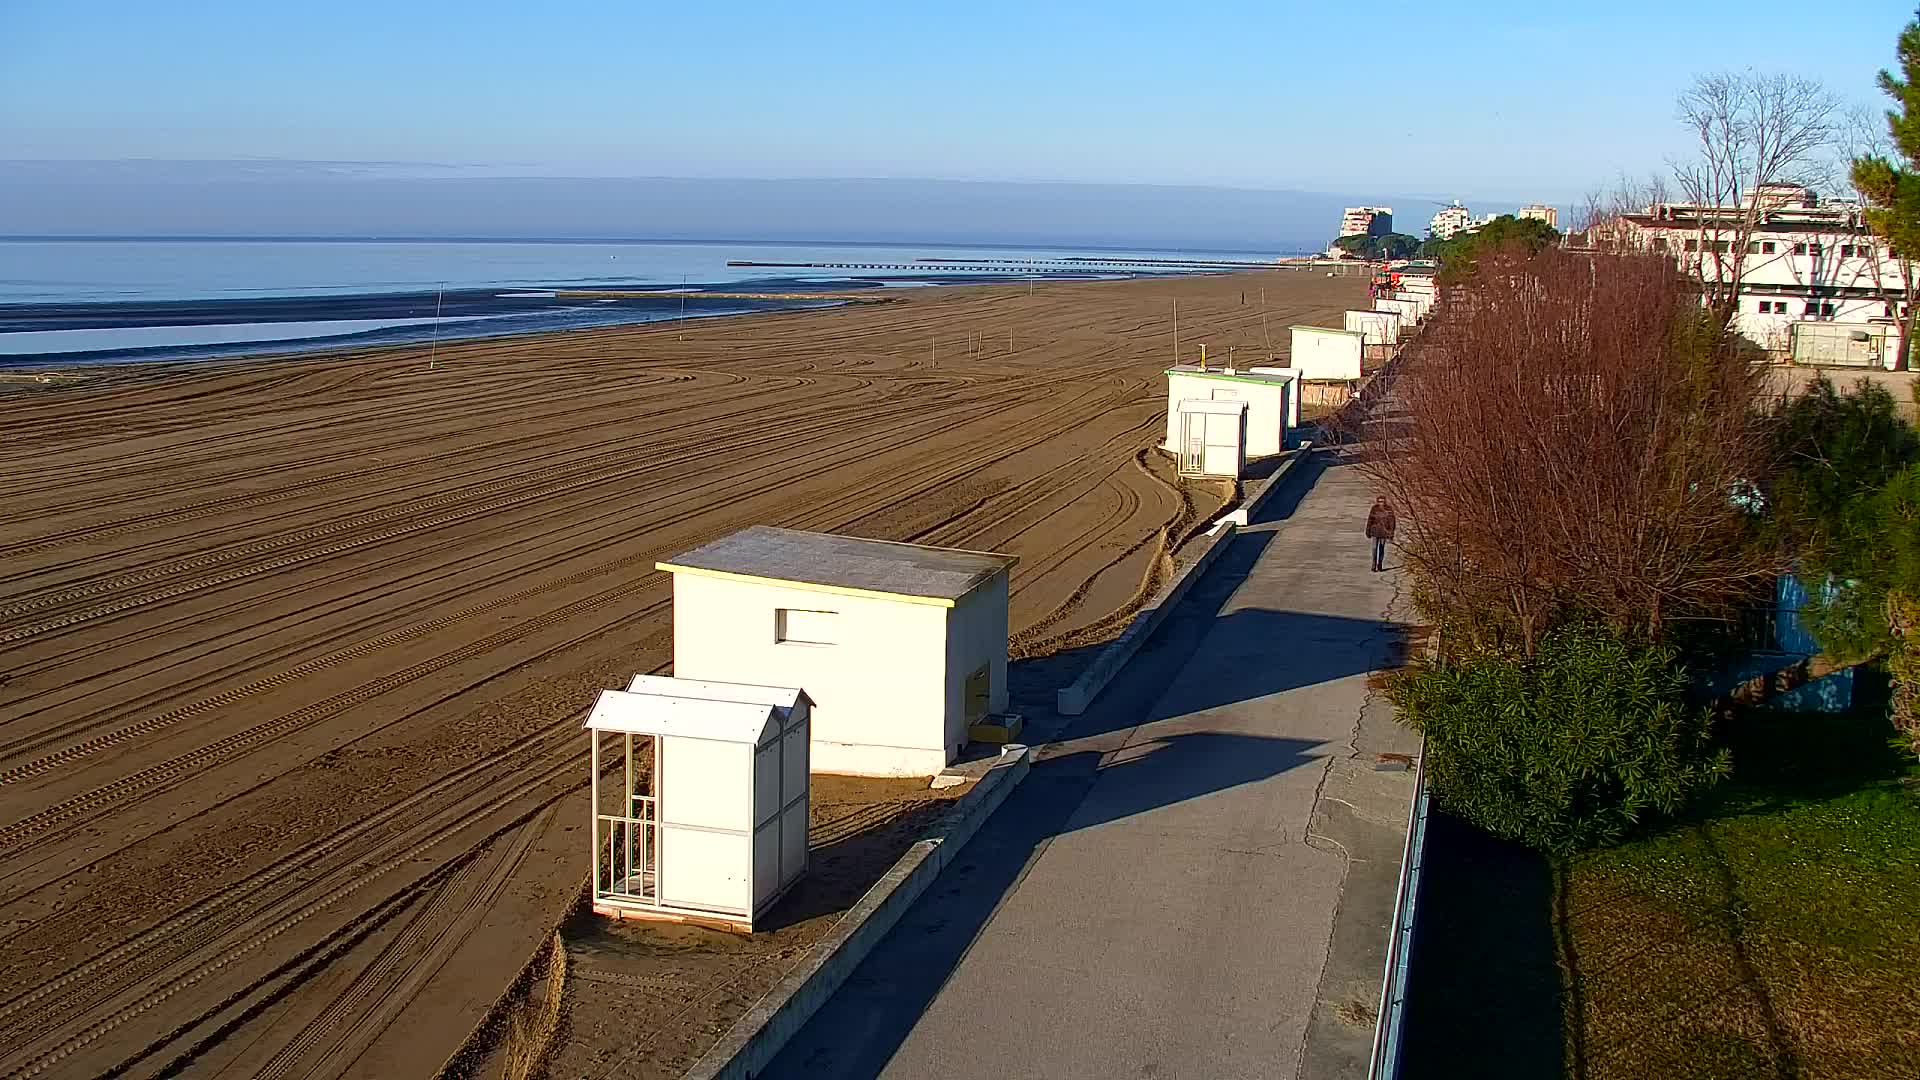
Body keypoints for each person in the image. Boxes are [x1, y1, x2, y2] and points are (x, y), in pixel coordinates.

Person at [1365, 496, 1396, 573]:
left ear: (1385, 502)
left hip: (1384, 532)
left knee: (1381, 548)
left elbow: (1392, 522)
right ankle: (1374, 564)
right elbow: (1370, 520)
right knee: (1374, 548)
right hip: (1375, 531)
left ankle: (1380, 565)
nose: (1381, 503)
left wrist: (1391, 533)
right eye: (1379, 501)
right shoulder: (1374, 509)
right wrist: (1368, 530)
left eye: (1382, 501)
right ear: (1377, 502)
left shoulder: (1389, 509)